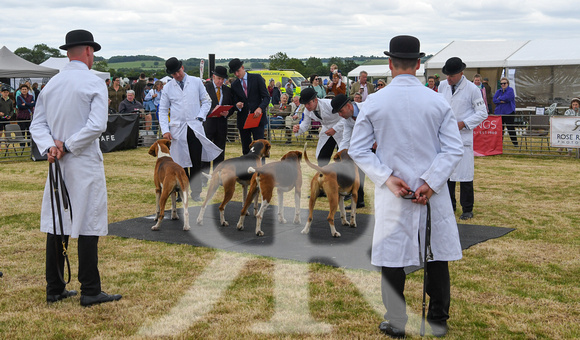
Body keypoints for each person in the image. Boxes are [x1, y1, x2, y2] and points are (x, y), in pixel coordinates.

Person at [348, 35, 463, 338]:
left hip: (396, 189)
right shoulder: (437, 100)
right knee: (434, 251)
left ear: (390, 64)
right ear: (418, 64)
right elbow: (453, 149)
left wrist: (386, 176)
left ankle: (396, 319)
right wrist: (431, 181)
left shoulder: (374, 102)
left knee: (393, 254)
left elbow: (357, 149)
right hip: (429, 189)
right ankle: (438, 317)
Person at [29, 29, 122, 306]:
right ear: (89, 52)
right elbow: (97, 125)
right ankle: (91, 290)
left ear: (68, 52)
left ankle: (54, 287)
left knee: (57, 221)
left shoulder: (51, 85)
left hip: (57, 163)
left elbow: (38, 125)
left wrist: (51, 147)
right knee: (88, 222)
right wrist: (66, 146)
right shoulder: (94, 83)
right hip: (81, 160)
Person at [159, 57, 222, 201]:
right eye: (173, 74)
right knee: (179, 163)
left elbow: (207, 101)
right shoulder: (168, 87)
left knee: (195, 161)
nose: (177, 75)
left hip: (194, 127)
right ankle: (182, 191)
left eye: (178, 71)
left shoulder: (195, 81)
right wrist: (165, 130)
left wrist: (201, 116)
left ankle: (196, 193)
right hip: (177, 129)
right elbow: (162, 110)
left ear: (182, 67)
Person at [439, 57, 488, 220]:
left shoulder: (473, 89)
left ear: (461, 73)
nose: (448, 78)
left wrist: (464, 124)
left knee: (465, 174)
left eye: (451, 75)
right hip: (445, 136)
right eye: (447, 75)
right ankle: (449, 206)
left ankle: (467, 208)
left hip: (463, 136)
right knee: (447, 174)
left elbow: (482, 113)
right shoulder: (442, 86)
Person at [331, 94, 366, 208]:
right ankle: (358, 200)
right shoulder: (347, 119)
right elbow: (346, 139)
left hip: (379, 144)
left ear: (349, 106)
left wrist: (377, 141)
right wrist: (339, 156)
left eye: (341, 111)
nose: (340, 115)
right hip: (363, 147)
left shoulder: (367, 108)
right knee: (357, 169)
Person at [228, 58, 270, 155]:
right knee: (246, 149)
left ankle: (260, 169)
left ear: (243, 68)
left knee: (260, 148)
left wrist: (260, 108)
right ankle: (247, 169)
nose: (237, 74)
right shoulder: (234, 85)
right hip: (243, 121)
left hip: (257, 118)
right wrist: (237, 105)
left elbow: (266, 97)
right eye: (234, 73)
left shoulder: (257, 78)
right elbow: (234, 103)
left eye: (238, 71)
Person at [292, 87, 343, 167]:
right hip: (327, 131)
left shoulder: (329, 104)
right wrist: (298, 128)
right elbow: (305, 124)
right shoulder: (307, 110)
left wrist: (335, 129)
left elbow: (345, 118)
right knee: (321, 158)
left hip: (342, 130)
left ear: (315, 100)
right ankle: (323, 176)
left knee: (342, 157)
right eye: (305, 104)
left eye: (308, 103)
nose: (307, 106)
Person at [202, 66, 235, 175]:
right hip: (208, 124)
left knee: (220, 149)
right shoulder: (205, 88)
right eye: (219, 79)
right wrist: (212, 111)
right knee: (206, 150)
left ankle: (218, 174)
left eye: (222, 79)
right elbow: (200, 105)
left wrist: (227, 113)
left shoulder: (227, 90)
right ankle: (204, 175)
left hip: (221, 124)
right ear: (213, 77)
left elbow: (231, 107)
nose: (221, 81)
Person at [492, 77, 518, 148]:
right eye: (501, 83)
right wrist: (501, 100)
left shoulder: (510, 90)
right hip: (500, 113)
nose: (503, 85)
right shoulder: (498, 91)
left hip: (509, 112)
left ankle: (515, 143)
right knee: (500, 129)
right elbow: (494, 100)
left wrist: (499, 98)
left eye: (504, 83)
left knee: (511, 128)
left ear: (507, 84)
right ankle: (499, 144)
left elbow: (508, 98)